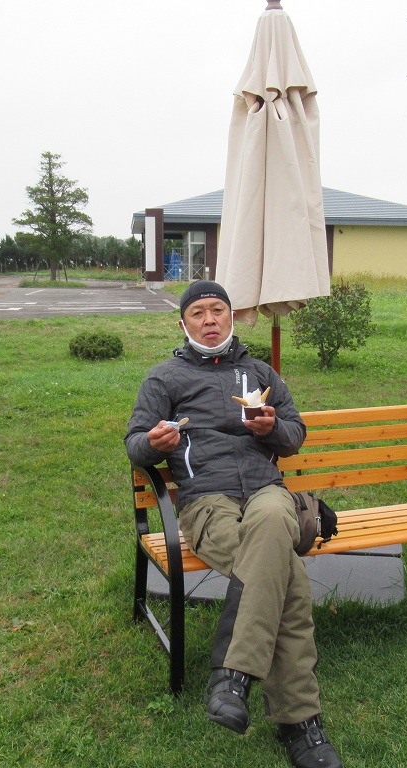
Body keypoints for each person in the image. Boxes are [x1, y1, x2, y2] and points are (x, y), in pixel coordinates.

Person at [125, 280, 342, 768]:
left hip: (267, 492)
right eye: (198, 312)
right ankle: (300, 724)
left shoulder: (260, 373)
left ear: (231, 316)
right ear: (183, 323)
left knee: (272, 519)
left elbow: (294, 435)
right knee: (289, 577)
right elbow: (135, 444)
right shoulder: (164, 378)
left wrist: (273, 428)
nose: (209, 320)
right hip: (206, 500)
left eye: (217, 310)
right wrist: (154, 443)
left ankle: (233, 674)